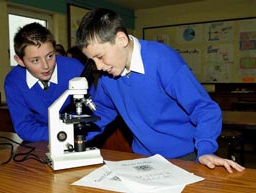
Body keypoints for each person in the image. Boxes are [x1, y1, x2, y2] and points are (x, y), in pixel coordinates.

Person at [76, 8, 245, 173]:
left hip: (184, 157)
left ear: (121, 39)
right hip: (143, 159)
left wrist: (206, 149)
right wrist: (77, 139)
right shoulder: (108, 77)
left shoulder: (162, 60)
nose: (98, 66)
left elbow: (204, 108)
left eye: (99, 56)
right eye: (92, 60)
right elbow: (102, 112)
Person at [4, 22, 85, 142]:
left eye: (50, 56)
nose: (46, 66)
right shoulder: (13, 82)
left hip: (79, 136)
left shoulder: (75, 69)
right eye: (35, 60)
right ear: (20, 60)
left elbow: (95, 108)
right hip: (38, 142)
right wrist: (62, 135)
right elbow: (24, 126)